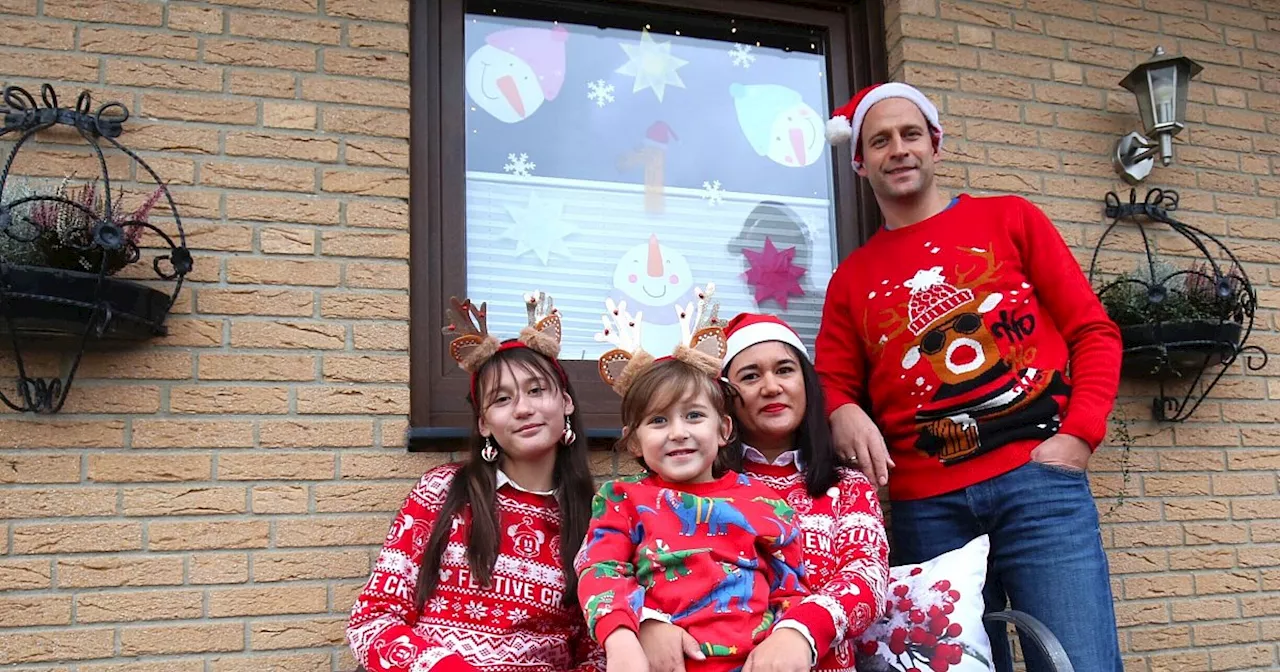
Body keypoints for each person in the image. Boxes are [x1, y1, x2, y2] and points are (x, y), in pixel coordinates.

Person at [815, 82, 1125, 671]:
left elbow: (1094, 332)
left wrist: (1080, 435)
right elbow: (828, 379)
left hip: (1040, 487)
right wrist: (842, 410)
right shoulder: (851, 280)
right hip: (926, 511)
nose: (898, 149)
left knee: (1077, 662)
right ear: (860, 162)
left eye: (910, 134)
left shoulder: (1010, 218)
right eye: (879, 141)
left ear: (936, 144)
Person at [348, 293, 602, 672]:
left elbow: (598, 649)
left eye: (536, 390)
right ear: (484, 423)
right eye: (502, 399)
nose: (523, 408)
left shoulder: (595, 515)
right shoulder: (441, 493)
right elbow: (372, 621)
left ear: (565, 402)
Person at [577, 295, 830, 672]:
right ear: (634, 442)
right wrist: (621, 638)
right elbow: (599, 570)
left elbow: (790, 591)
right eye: (658, 421)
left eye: (694, 415)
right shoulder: (623, 500)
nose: (678, 433)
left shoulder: (765, 503)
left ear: (723, 429)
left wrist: (786, 639)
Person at [639, 313, 890, 672]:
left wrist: (801, 631)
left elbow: (867, 574)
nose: (771, 387)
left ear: (807, 383)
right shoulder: (680, 484)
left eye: (785, 370)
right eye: (751, 376)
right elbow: (613, 567)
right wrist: (647, 620)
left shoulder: (847, 487)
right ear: (724, 399)